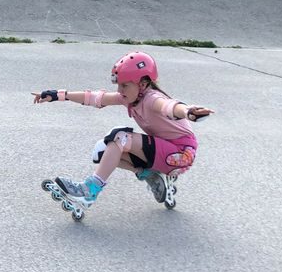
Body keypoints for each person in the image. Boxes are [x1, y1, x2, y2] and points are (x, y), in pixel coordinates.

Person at [32, 51, 214, 208]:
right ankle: (150, 175)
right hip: (166, 153)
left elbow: (170, 107)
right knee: (104, 152)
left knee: (120, 138)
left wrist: (188, 111)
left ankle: (89, 191)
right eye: (119, 85)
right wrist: (58, 95)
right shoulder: (129, 97)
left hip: (180, 154)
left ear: (143, 84)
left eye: (125, 85)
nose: (120, 90)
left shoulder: (152, 99)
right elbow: (95, 98)